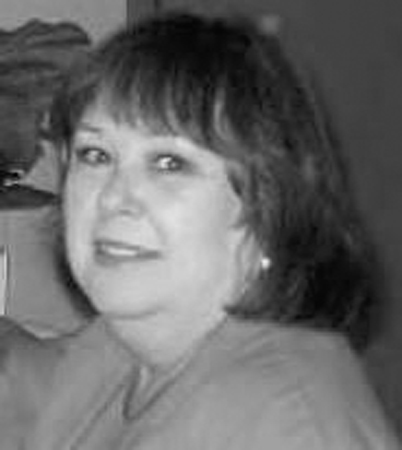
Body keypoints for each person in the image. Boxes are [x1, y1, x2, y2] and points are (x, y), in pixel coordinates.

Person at [0, 11, 399, 449]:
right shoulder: (122, 350)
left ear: (265, 205)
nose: (113, 196)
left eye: (169, 163)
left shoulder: (280, 423)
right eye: (95, 155)